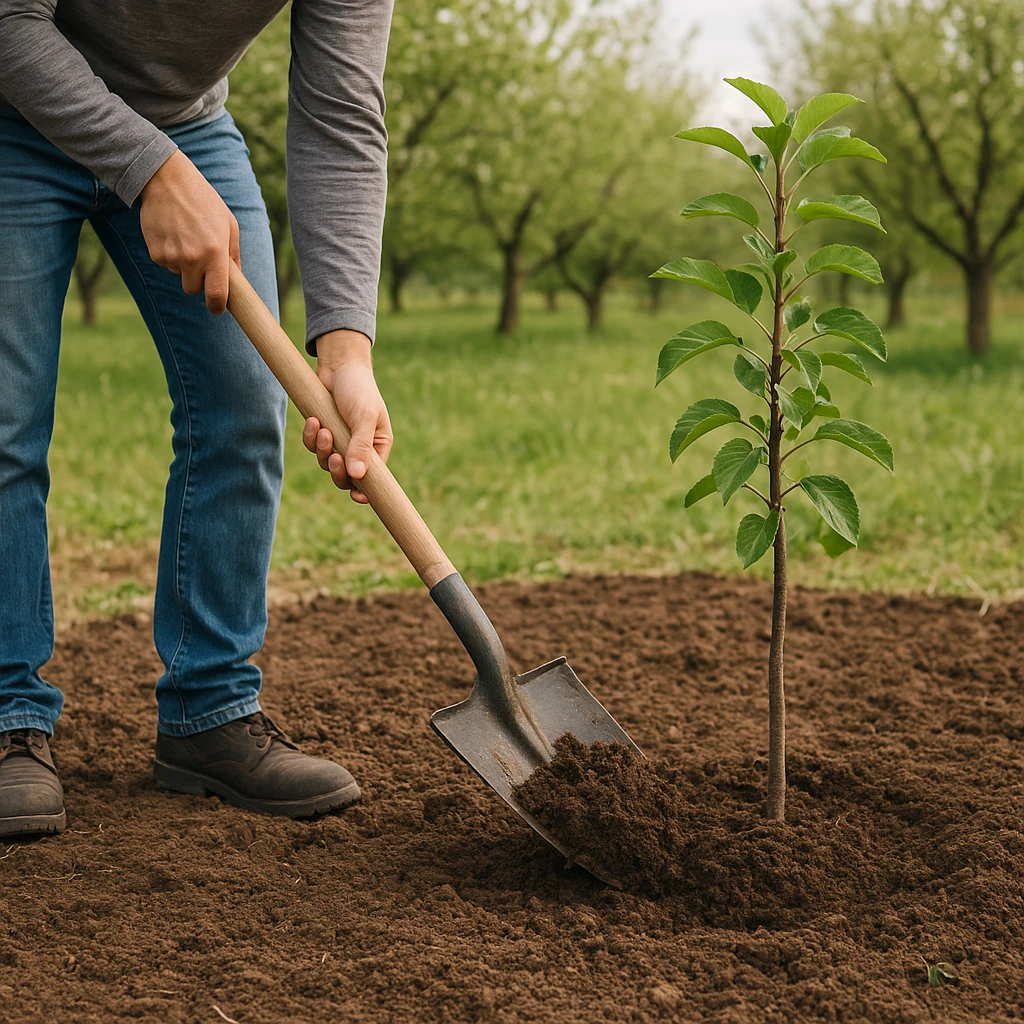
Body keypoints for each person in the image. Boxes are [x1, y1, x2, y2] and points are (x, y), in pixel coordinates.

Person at [0, 0, 396, 838]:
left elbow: (341, 119)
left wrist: (347, 353)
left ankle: (209, 711)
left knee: (245, 407)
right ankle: (6, 715)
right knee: (5, 421)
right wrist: (150, 169)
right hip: (12, 109)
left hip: (185, 126)